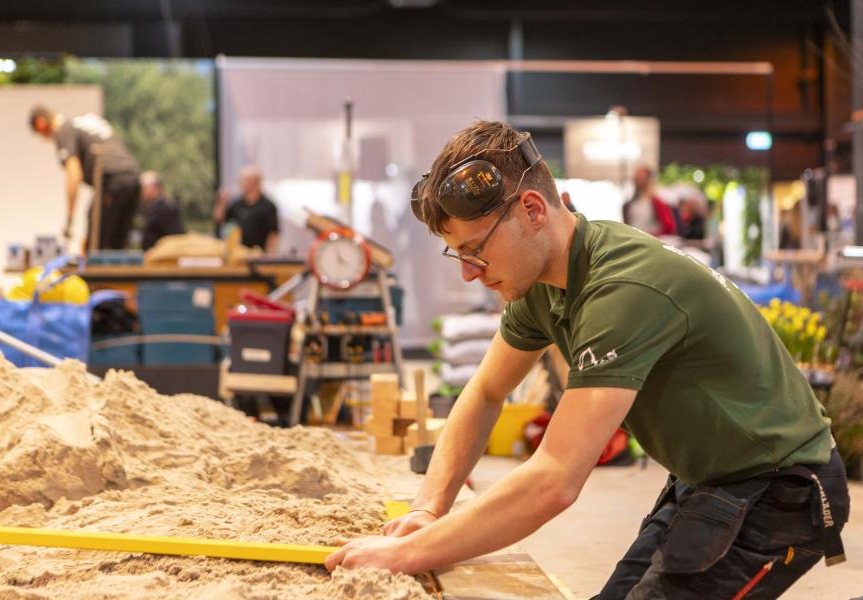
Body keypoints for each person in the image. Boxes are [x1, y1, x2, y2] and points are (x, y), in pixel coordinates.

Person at [325, 121, 849, 598]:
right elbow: (485, 392)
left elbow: (554, 480)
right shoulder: (539, 285)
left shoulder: (621, 288)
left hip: (782, 490)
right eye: (457, 254)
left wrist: (411, 553)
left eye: (475, 251)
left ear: (532, 210)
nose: (469, 273)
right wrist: (427, 510)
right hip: (709, 478)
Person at [29, 105, 140, 250]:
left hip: (111, 181)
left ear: (41, 123)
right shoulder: (82, 124)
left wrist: (69, 219)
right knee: (117, 244)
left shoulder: (64, 130)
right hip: (133, 177)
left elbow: (73, 173)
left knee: (96, 243)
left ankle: (96, 269)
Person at [213, 166, 279, 253]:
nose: (240, 183)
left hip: (258, 255)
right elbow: (218, 218)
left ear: (255, 182)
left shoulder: (268, 206)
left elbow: (273, 234)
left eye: (244, 180)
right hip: (238, 255)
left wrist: (270, 257)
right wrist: (221, 202)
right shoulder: (236, 204)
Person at [622, 166, 677, 236]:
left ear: (648, 179)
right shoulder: (630, 203)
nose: (637, 180)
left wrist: (653, 234)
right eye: (636, 177)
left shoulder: (657, 201)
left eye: (641, 177)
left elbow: (669, 227)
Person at [139, 171, 184, 251]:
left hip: (163, 260)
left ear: (154, 187)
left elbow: (176, 238)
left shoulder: (165, 208)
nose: (141, 192)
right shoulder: (154, 207)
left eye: (143, 188)